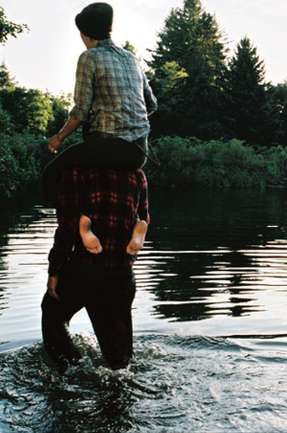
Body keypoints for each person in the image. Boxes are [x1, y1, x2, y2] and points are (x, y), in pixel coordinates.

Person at [42, 2, 156, 256]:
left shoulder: (89, 57)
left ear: (84, 34)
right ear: (109, 29)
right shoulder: (132, 58)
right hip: (138, 152)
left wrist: (58, 138)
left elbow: (81, 110)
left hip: (106, 147)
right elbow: (152, 104)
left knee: (50, 175)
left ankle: (81, 226)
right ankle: (140, 224)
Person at [41, 165, 149, 372]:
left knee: (53, 312)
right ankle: (139, 231)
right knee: (119, 362)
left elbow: (65, 229)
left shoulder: (75, 171)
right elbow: (144, 212)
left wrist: (53, 272)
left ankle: (72, 368)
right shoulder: (136, 173)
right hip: (122, 272)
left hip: (85, 270)